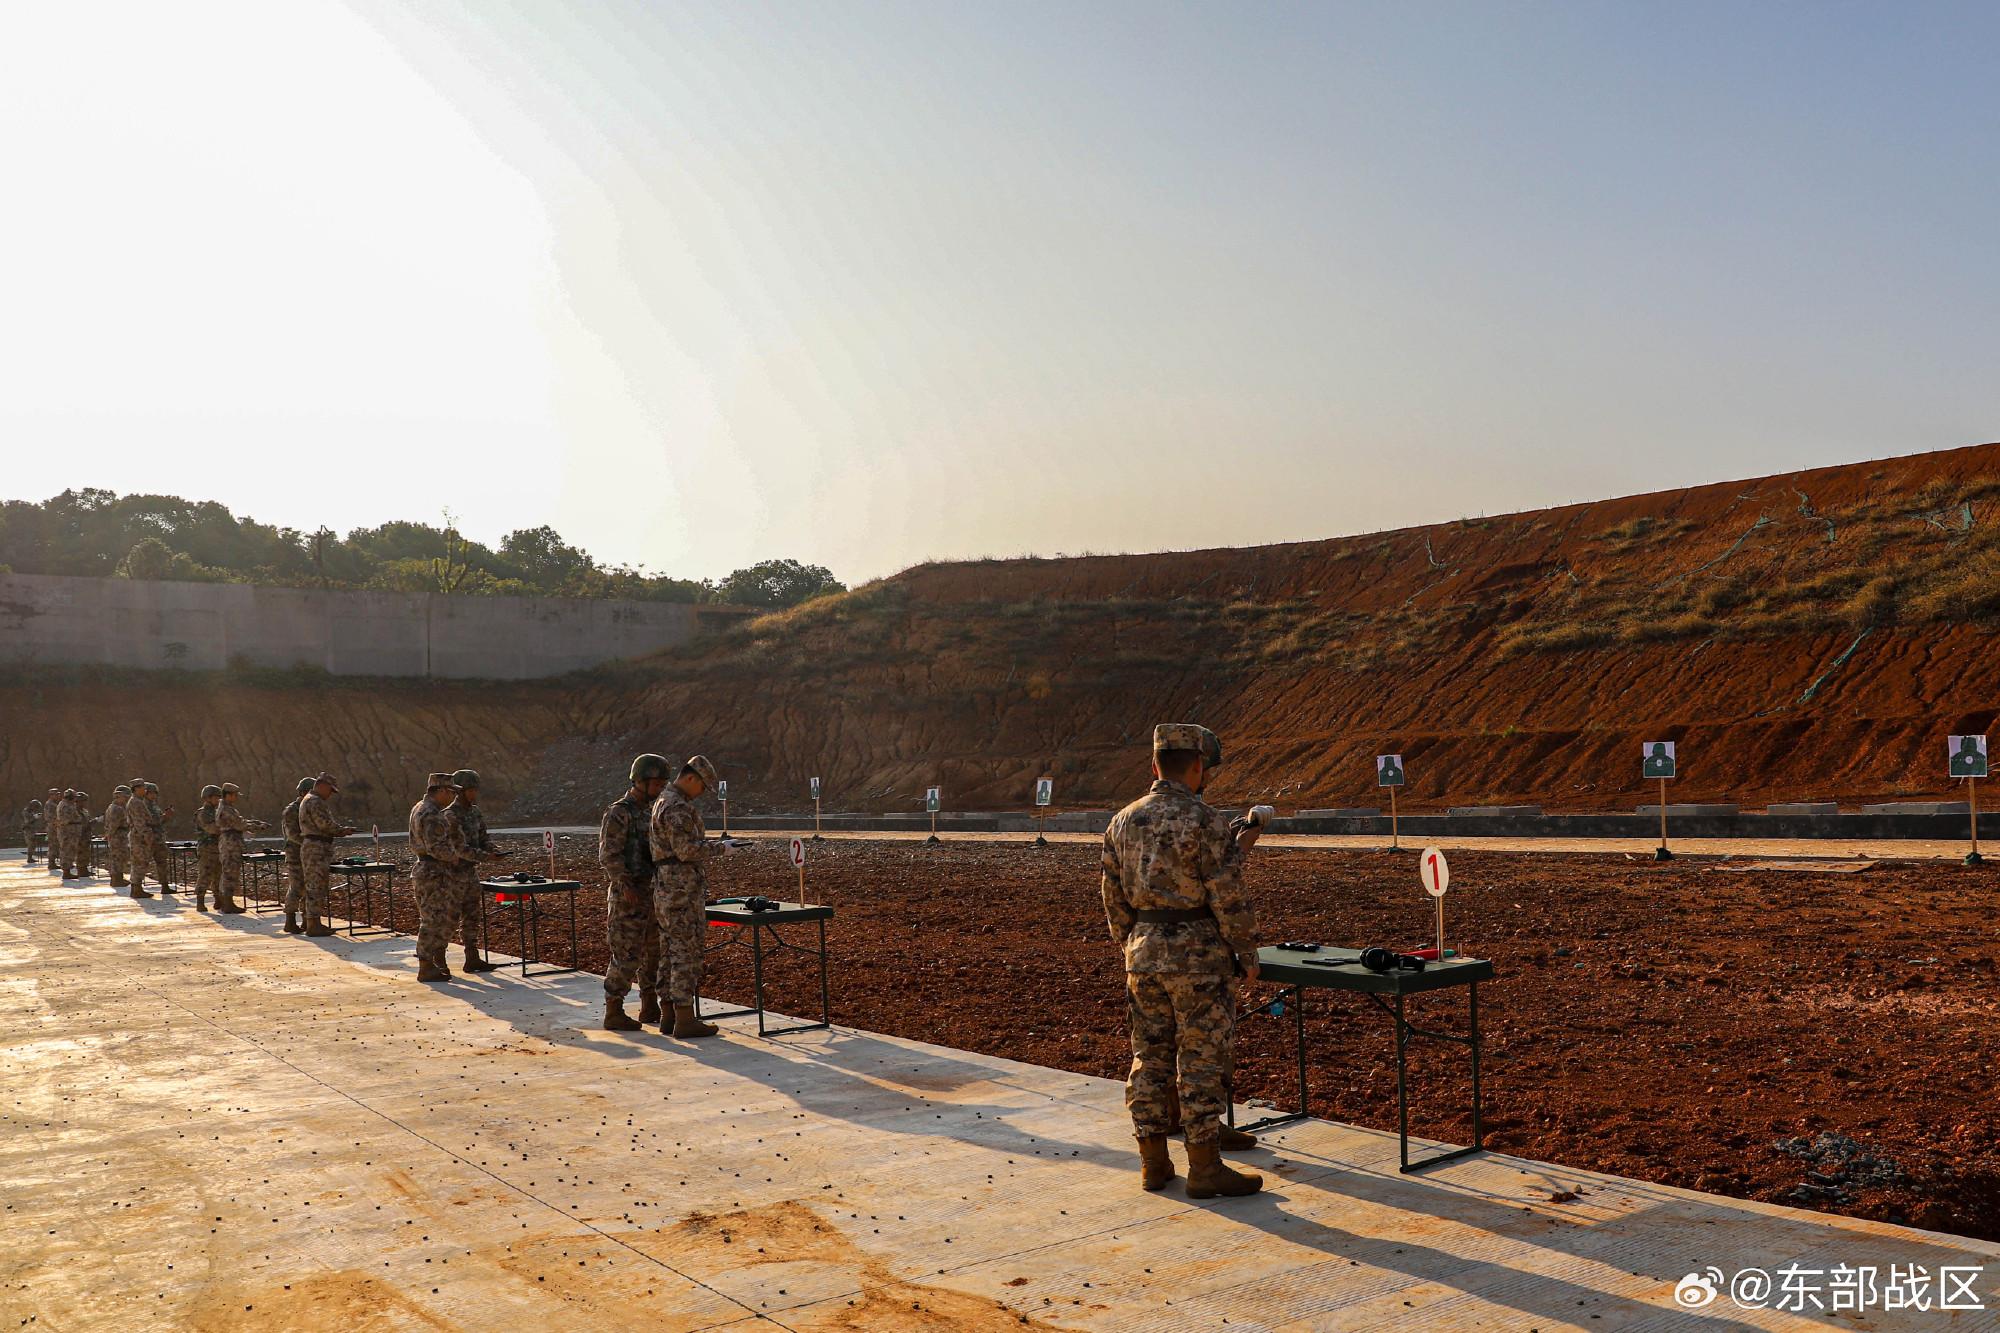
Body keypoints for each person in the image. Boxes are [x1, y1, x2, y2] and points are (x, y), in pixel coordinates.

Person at [1101, 722, 1265, 1199]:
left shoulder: (1122, 821)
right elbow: (1227, 894)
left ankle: (1153, 1163)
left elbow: (1112, 896)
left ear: (1154, 766)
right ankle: (1205, 1167)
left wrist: (1133, 943)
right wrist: (1246, 950)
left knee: (1149, 1058)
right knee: (1200, 1061)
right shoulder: (1206, 821)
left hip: (1143, 954)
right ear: (1197, 766)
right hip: (1199, 958)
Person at [649, 755, 728, 1038]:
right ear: (691, 777)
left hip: (667, 887)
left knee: (669, 950)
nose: (702, 792)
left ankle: (669, 1015)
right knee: (685, 951)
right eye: (702, 786)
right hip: (681, 889)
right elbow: (686, 850)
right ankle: (684, 1017)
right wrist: (721, 848)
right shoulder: (677, 806)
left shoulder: (663, 801)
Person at [601, 754, 670, 1031]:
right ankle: (614, 1009)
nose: (660, 789)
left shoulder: (652, 811)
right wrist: (624, 884)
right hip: (628, 897)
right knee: (627, 953)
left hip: (652, 893)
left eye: (663, 784)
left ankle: (649, 1004)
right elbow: (609, 854)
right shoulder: (619, 812)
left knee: (654, 952)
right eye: (656, 783)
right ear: (640, 781)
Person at [409, 773, 468, 982]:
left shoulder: (419, 807)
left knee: (434, 917)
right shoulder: (431, 813)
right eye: (451, 792)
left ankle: (430, 962)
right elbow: (436, 847)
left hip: (427, 869)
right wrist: (455, 857)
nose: (453, 796)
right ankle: (425, 965)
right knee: (432, 919)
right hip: (433, 871)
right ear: (441, 791)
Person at [446, 769, 505, 973]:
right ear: (460, 791)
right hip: (452, 873)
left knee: (472, 916)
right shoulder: (450, 815)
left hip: (470, 872)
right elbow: (459, 849)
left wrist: (494, 850)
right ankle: (437, 959)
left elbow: (483, 838)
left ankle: (472, 957)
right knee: (449, 918)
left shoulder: (475, 812)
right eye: (470, 790)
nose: (474, 794)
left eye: (475, 790)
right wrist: (487, 857)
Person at [296, 774, 355, 936]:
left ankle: (311, 921)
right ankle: (313, 924)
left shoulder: (309, 799)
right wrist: (342, 830)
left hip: (314, 846)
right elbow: (324, 825)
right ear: (322, 785)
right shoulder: (315, 801)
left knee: (313, 885)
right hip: (316, 847)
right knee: (316, 885)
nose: (330, 794)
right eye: (330, 790)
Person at [215, 783, 270, 915]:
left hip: (230, 842)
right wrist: (258, 826)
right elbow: (240, 824)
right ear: (228, 795)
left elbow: (239, 822)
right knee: (230, 873)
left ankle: (225, 902)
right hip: (230, 844)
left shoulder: (227, 808)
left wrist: (254, 823)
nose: (236, 797)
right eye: (234, 795)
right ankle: (228, 904)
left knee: (228, 872)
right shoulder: (226, 809)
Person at [279, 777, 314, 934]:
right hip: (295, 854)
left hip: (307, 854)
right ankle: (290, 920)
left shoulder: (309, 808)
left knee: (309, 887)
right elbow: (292, 834)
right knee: (296, 887)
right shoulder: (292, 810)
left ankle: (307, 920)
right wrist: (309, 842)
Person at [127, 782, 172, 898]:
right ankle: (136, 888)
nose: (153, 796)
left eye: (155, 793)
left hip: (157, 838)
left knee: (162, 862)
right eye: (150, 793)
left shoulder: (153, 805)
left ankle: (164, 885)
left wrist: (165, 817)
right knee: (141, 862)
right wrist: (147, 836)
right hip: (146, 838)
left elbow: (156, 821)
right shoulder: (140, 803)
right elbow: (144, 822)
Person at [193, 786, 224, 910]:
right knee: (205, 874)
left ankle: (218, 899)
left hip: (217, 847)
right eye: (216, 797)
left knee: (218, 875)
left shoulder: (216, 812)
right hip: (206, 848)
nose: (218, 800)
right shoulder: (203, 813)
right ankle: (200, 901)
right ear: (208, 798)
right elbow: (212, 829)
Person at [104, 786, 132, 888]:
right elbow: (113, 825)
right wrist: (110, 835)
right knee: (118, 858)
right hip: (118, 836)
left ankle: (118, 878)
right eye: (124, 797)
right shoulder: (117, 809)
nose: (126, 799)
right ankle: (116, 880)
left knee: (119, 857)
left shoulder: (113, 807)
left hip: (118, 836)